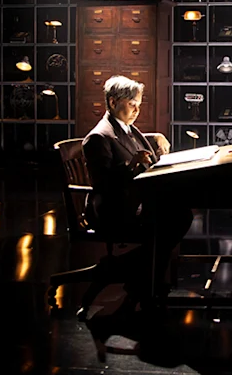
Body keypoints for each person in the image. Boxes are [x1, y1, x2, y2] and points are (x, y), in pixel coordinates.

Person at [82, 75, 194, 308]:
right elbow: (103, 185)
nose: (137, 110)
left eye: (139, 105)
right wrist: (129, 166)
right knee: (177, 218)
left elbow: (134, 142)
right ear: (113, 103)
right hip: (115, 210)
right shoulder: (98, 137)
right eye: (132, 104)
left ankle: (143, 279)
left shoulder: (124, 127)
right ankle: (134, 275)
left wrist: (156, 137)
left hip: (133, 202)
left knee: (179, 213)